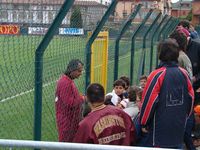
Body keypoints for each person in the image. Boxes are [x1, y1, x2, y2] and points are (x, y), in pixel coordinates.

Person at [140, 39, 194, 148]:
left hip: (160, 128)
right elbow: (191, 97)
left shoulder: (157, 75)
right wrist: (185, 116)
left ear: (160, 54)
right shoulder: (183, 73)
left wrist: (144, 122)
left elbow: (149, 102)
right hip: (179, 125)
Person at [55, 59, 84, 142]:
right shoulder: (65, 82)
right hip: (67, 122)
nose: (80, 73)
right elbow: (69, 103)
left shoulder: (68, 80)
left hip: (71, 121)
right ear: (72, 70)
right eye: (79, 71)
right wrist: (82, 99)